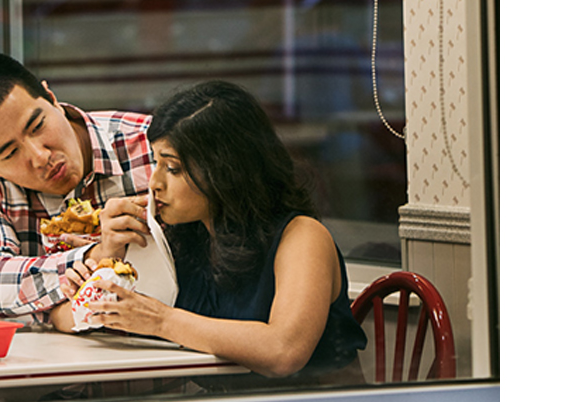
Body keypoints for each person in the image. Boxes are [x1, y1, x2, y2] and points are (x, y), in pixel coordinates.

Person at [53, 80, 368, 384]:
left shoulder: (302, 236)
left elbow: (283, 352)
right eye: (154, 162)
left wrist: (160, 320)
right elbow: (65, 318)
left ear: (225, 171)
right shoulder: (185, 236)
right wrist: (105, 265)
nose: (154, 183)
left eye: (172, 168)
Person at [0, 53, 155, 321]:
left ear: (51, 98)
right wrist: (94, 255)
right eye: (9, 153)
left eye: (38, 125)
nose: (40, 157)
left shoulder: (150, 144)